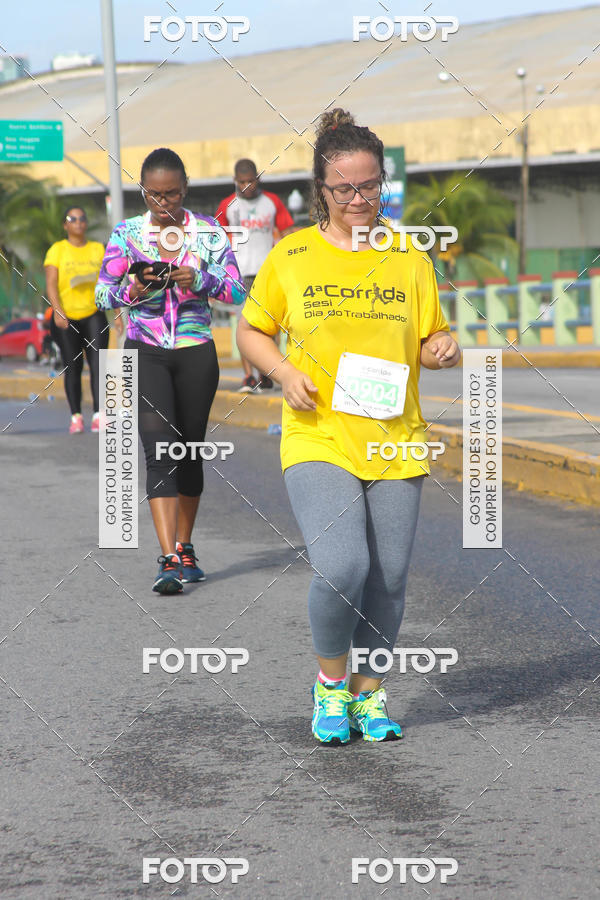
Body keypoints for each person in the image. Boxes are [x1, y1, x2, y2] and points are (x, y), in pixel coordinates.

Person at [237, 109, 461, 745]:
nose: (361, 202)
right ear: (322, 190)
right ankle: (330, 687)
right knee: (341, 565)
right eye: (346, 191)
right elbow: (251, 330)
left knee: (389, 577)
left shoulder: (407, 256)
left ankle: (370, 694)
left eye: (372, 188)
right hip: (318, 433)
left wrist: (442, 347)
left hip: (395, 434)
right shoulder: (293, 256)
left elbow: (429, 334)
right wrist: (282, 371)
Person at [96, 148, 244, 595]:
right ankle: (169, 561)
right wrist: (132, 287)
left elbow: (237, 289)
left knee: (189, 450)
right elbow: (102, 296)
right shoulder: (127, 234)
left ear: (186, 189)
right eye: (155, 195)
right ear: (143, 191)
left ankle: (185, 545)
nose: (164, 205)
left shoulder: (208, 233)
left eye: (172, 194)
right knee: (159, 448)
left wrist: (198, 278)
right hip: (145, 350)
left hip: (196, 351)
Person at [215, 158, 294, 392]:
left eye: (251, 181)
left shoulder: (272, 202)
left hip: (268, 271)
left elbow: (287, 230)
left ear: (257, 179)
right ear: (235, 181)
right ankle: (249, 377)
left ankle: (266, 373)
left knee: (271, 326)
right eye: (242, 182)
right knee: (245, 324)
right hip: (239, 274)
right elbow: (216, 238)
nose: (247, 186)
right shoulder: (227, 205)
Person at [44, 207, 109, 432]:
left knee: (99, 365)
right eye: (73, 219)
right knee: (73, 366)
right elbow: (51, 283)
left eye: (82, 218)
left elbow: (110, 280)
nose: (79, 222)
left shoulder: (97, 248)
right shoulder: (57, 250)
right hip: (67, 317)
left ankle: (99, 415)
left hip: (94, 313)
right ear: (65, 225)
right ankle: (76, 417)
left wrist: (117, 313)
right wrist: (58, 311)